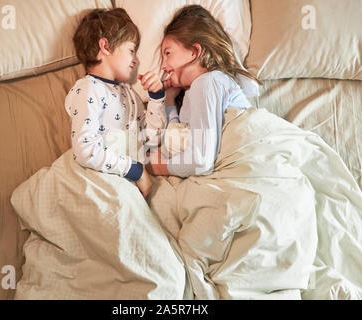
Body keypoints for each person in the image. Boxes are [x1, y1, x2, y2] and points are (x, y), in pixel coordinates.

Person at [146, 5, 261, 178]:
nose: (162, 65)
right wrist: (169, 100)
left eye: (168, 53)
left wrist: (157, 167)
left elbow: (200, 161)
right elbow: (178, 138)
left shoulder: (208, 81)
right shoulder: (196, 90)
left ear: (194, 51)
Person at [65, 8, 167, 198]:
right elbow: (85, 149)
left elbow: (152, 138)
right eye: (131, 51)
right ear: (106, 47)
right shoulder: (89, 88)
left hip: (130, 179)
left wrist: (156, 97)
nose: (135, 60)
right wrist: (135, 170)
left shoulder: (129, 94)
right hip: (99, 177)